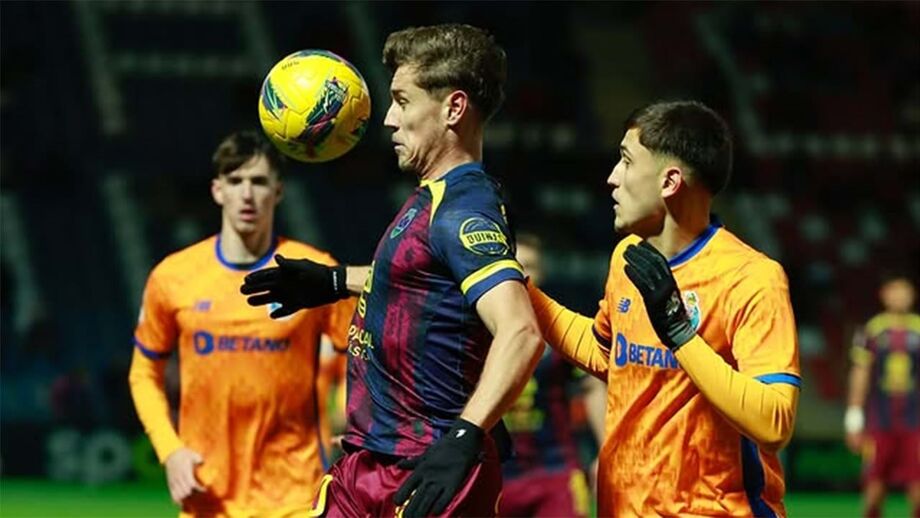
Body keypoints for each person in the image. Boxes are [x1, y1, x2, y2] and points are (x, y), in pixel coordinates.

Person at [241, 23, 544, 518]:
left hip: (428, 473)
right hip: (368, 461)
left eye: (402, 101)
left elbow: (521, 332)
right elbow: (425, 285)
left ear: (454, 108)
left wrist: (465, 437)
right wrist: (335, 281)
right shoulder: (432, 198)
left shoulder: (463, 211)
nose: (387, 119)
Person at [526, 100, 800, 516]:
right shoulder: (628, 257)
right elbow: (605, 353)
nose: (612, 178)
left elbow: (773, 422)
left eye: (626, 161)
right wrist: (514, 286)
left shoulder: (751, 278)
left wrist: (680, 334)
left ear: (670, 181)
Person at [128, 130, 355, 517]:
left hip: (295, 495)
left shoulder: (313, 272)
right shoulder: (173, 277)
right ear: (217, 190)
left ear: (278, 191)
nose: (247, 194)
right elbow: (143, 373)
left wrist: (351, 417)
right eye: (235, 181)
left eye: (259, 181)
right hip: (207, 492)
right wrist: (170, 451)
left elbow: (361, 354)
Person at [499, 232, 606, 518]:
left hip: (555, 470)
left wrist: (605, 452)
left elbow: (592, 386)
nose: (521, 274)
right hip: (496, 476)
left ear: (542, 272)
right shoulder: (477, 329)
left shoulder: (559, 329)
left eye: (530, 266)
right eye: (514, 265)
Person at [845, 274, 920, 518]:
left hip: (915, 421)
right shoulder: (872, 330)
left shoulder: (918, 328)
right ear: (884, 295)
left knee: (918, 487)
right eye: (895, 290)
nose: (900, 296)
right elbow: (860, 374)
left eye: (905, 291)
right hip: (880, 421)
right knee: (874, 485)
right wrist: (854, 419)